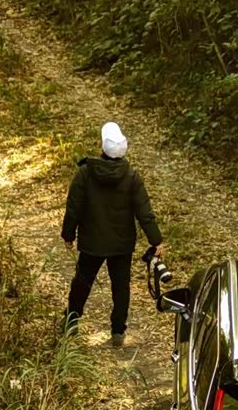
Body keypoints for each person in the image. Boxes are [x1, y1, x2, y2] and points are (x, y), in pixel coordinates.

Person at [61, 121, 164, 346]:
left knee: (82, 281)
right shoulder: (132, 176)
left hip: (92, 241)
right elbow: (144, 212)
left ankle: (71, 321)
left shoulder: (85, 174)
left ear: (103, 146)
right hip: (121, 243)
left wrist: (68, 234)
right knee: (120, 285)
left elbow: (74, 208)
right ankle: (118, 331)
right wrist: (156, 240)